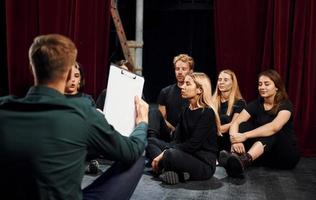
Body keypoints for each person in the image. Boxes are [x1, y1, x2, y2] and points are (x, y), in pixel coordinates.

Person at [0, 34, 149, 200]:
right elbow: (132, 150)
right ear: (68, 71)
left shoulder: (4, 109)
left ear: (31, 66)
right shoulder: (83, 112)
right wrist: (142, 122)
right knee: (137, 157)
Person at [219, 69, 300, 178]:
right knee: (243, 125)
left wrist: (244, 136)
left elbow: (274, 127)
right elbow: (236, 123)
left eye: (266, 84)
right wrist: (235, 140)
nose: (262, 87)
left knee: (271, 132)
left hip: (285, 156)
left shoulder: (285, 104)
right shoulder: (257, 103)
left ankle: (243, 161)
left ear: (276, 87)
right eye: (260, 84)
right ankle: (235, 158)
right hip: (265, 155)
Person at [149, 72, 221, 185]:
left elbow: (192, 145)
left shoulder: (207, 113)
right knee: (151, 141)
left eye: (187, 84)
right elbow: (177, 140)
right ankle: (171, 172)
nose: (182, 87)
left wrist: (164, 153)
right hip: (186, 155)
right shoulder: (186, 110)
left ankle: (165, 170)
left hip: (203, 163)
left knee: (169, 154)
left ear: (199, 90)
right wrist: (166, 150)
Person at [147, 53, 194, 142]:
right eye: (177, 69)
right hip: (169, 132)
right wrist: (173, 129)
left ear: (191, 71)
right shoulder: (165, 92)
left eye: (183, 69)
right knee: (154, 112)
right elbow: (161, 119)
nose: (179, 72)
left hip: (187, 134)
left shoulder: (195, 92)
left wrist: (179, 131)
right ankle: (152, 141)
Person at [212, 69, 246, 154]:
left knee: (224, 119)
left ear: (232, 83)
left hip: (227, 140)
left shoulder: (239, 103)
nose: (221, 82)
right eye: (219, 79)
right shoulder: (211, 102)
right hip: (211, 139)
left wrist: (211, 129)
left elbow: (233, 124)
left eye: (225, 80)